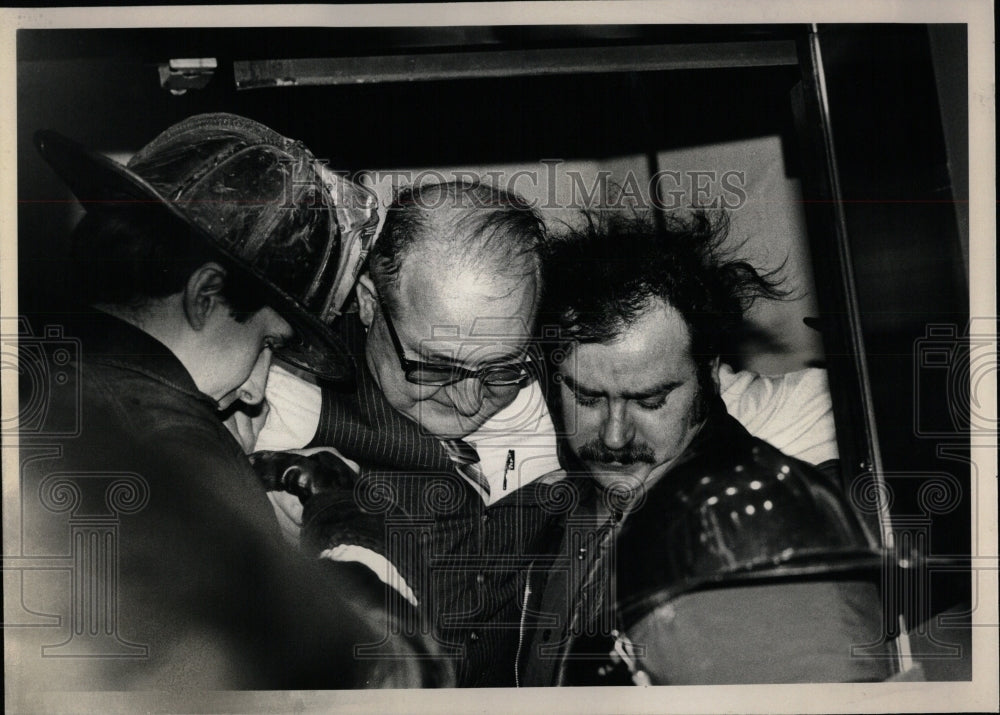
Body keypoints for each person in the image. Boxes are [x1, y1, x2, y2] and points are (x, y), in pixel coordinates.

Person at [250, 182, 844, 687]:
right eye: (434, 366)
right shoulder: (271, 402)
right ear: (368, 304)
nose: (468, 398)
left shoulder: (572, 378)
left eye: (501, 368)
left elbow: (805, 409)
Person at [15, 113, 447, 691]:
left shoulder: (44, 380)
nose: (254, 388)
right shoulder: (169, 450)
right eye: (267, 343)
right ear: (205, 295)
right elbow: (387, 679)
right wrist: (342, 517)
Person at [516, 210, 895, 686]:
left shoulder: (757, 534)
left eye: (650, 401)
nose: (613, 436)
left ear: (711, 377)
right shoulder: (569, 501)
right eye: (587, 398)